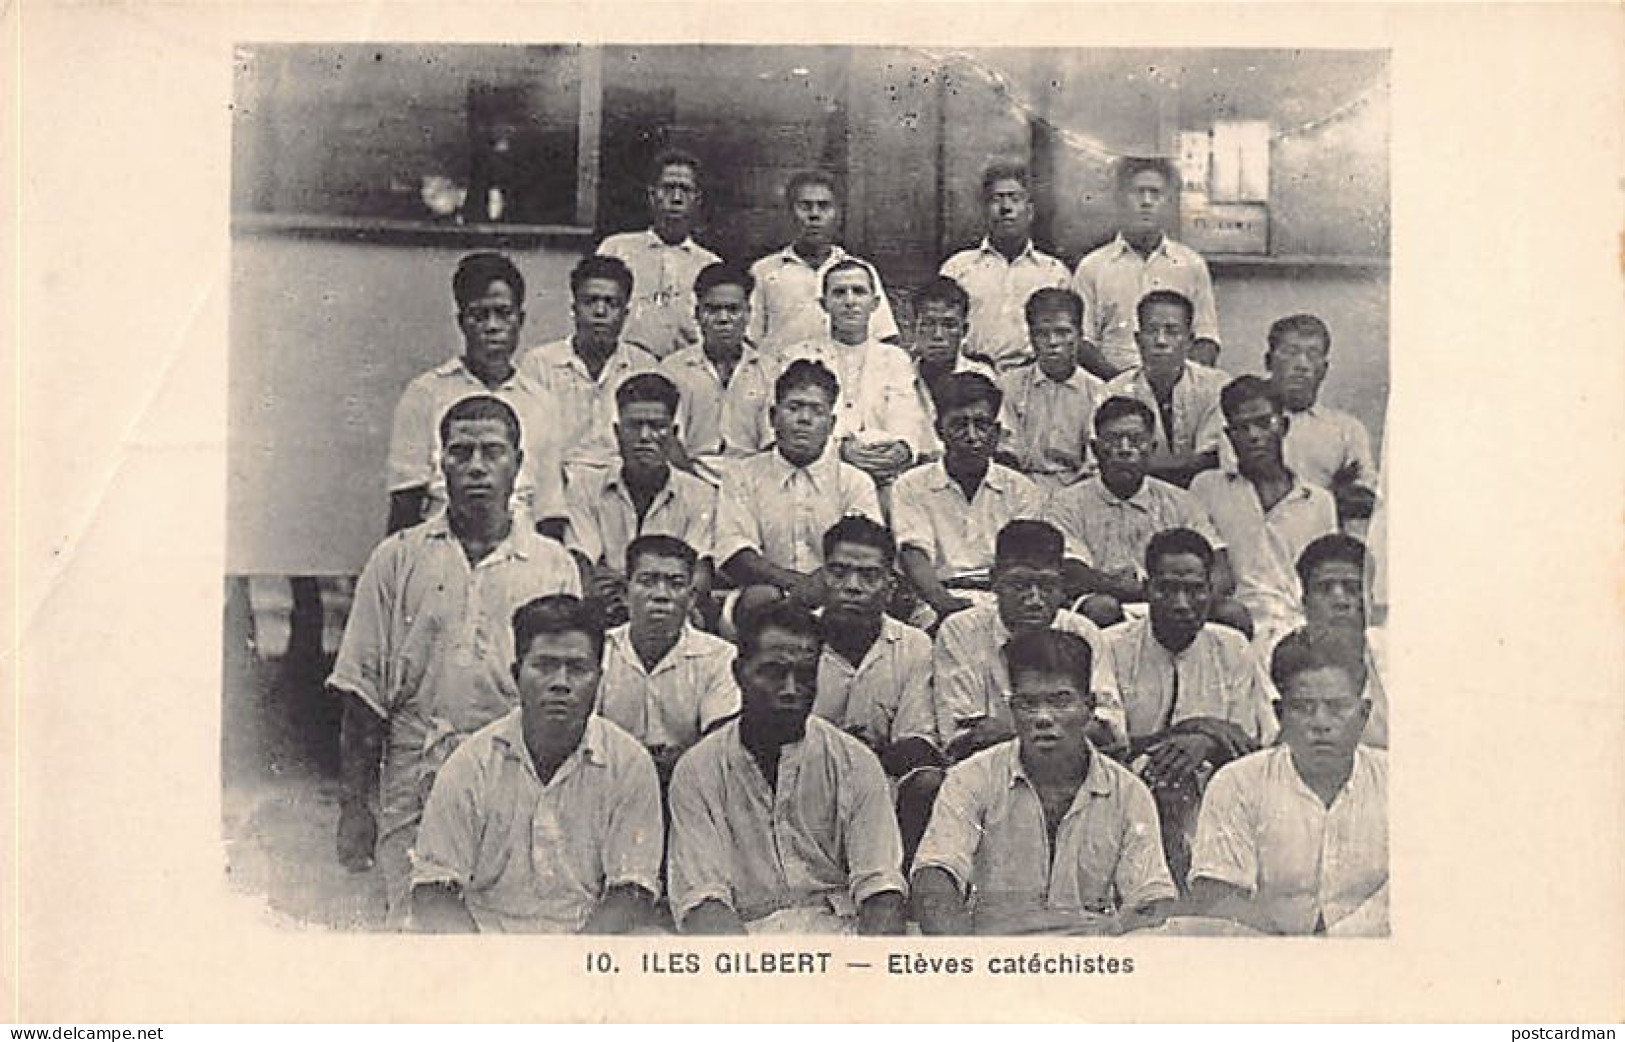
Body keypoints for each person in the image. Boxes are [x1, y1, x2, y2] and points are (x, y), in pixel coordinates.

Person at [327, 396, 582, 925]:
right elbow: (363, 692)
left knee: (507, 931)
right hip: (414, 779)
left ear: (518, 462)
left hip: (513, 778)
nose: (476, 467)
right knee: (417, 933)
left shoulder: (552, 565)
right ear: (440, 464)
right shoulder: (398, 557)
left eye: (492, 452)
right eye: (460, 452)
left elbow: (564, 696)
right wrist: (355, 805)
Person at [409, 595, 662, 933]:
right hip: (485, 941)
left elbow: (633, 889)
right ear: (517, 675)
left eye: (577, 668)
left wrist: (570, 968)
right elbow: (433, 887)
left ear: (598, 679)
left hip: (587, 941)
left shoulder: (628, 763)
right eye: (544, 666)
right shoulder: (472, 763)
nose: (560, 682)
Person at [911, 629, 1178, 935]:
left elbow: (1154, 900)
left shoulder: (1127, 791)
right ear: (1012, 710)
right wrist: (963, 958)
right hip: (995, 957)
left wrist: (1113, 930)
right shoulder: (971, 778)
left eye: (1060, 701)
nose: (1043, 717)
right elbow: (934, 873)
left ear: (1089, 708)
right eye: (1028, 704)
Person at [666, 601, 908, 934]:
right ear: (738, 673)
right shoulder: (699, 770)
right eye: (774, 673)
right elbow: (703, 902)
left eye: (805, 675)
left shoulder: (854, 761)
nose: (791, 690)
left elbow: (881, 890)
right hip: (744, 947)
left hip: (842, 942)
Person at [1102, 528, 1278, 885]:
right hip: (1130, 794)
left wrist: (1207, 744)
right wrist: (1190, 732)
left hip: (1215, 795)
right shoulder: (1111, 647)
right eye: (1167, 589)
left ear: (1210, 592)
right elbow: (1108, 743)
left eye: (1195, 590)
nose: (1182, 603)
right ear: (1147, 589)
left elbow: (1248, 743)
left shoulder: (1232, 647)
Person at [1185, 627, 1388, 936]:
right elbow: (1218, 896)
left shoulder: (1396, 783)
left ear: (1363, 713)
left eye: (1337, 707)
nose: (1321, 723)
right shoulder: (1238, 783)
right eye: (1304, 708)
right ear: (1280, 713)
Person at [385, 252, 566, 536]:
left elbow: (549, 511)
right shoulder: (425, 393)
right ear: (461, 322)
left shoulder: (541, 402)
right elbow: (405, 505)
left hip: (522, 553)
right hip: (442, 546)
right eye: (480, 315)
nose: (492, 326)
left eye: (503, 313)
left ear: (520, 319)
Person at [928, 520, 1127, 760]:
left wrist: (1011, 731)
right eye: (1020, 586)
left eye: (1046, 586)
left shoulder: (1081, 630)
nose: (1034, 600)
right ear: (995, 581)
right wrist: (1070, 729)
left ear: (1062, 583)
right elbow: (964, 738)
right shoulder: (961, 631)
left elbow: (1108, 729)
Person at [1044, 395, 1234, 627]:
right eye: (1113, 440)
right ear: (1095, 449)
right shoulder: (1067, 503)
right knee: (1103, 608)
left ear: (1152, 448)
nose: (1124, 450)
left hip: (1172, 601)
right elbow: (1071, 573)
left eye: (1135, 440)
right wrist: (1121, 588)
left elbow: (1220, 567)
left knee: (1230, 613)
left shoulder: (1181, 501)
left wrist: (1176, 594)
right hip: (1107, 605)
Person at [713, 359, 883, 612]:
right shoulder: (743, 476)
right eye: (794, 407)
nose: (804, 419)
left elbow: (864, 552)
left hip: (836, 597)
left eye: (816, 411)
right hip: (768, 598)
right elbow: (736, 553)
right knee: (759, 598)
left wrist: (820, 589)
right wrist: (798, 588)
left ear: (831, 424)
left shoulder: (854, 482)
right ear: (773, 417)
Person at [1191, 377, 1338, 648]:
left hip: (1297, 629)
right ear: (1228, 435)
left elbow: (1323, 580)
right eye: (1241, 428)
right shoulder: (1207, 488)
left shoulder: (1318, 502)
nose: (1253, 436)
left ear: (1283, 426)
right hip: (1231, 626)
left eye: (1263, 423)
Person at [564, 372, 716, 625]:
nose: (645, 437)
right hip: (607, 608)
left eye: (657, 426)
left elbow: (698, 573)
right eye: (635, 426)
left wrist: (631, 587)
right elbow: (582, 564)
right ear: (617, 432)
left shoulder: (700, 494)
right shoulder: (585, 487)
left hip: (669, 607)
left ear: (673, 433)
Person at [893, 372, 1042, 622]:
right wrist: (944, 603)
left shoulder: (1021, 490)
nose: (972, 436)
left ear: (996, 432)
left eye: (981, 424)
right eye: (959, 425)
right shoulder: (910, 486)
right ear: (939, 430)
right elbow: (914, 553)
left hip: (1004, 598)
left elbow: (1024, 563)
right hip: (939, 599)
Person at [595, 535, 739, 787]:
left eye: (675, 583)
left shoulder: (720, 658)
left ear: (692, 597)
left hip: (689, 785)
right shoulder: (599, 652)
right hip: (609, 784)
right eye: (647, 581)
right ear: (625, 593)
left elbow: (718, 744)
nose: (661, 594)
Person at [516, 254, 659, 486]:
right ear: (574, 308)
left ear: (626, 313)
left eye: (611, 303)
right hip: (558, 485)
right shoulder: (539, 364)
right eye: (590, 301)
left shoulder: (643, 366)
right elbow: (528, 443)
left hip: (625, 487)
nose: (600, 312)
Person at [1072, 156, 1221, 378]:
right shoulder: (1093, 267)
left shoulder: (1191, 265)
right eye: (1138, 193)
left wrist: (1178, 381)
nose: (1147, 202)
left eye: (1155, 194)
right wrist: (1121, 384)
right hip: (1111, 388)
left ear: (1169, 203)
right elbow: (1083, 343)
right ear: (1121, 200)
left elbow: (1206, 339)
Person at [781, 259, 926, 486]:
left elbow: (906, 417)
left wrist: (903, 448)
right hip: (822, 474)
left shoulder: (894, 359)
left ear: (875, 303)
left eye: (858, 292)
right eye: (839, 293)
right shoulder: (798, 357)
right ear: (824, 304)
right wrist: (840, 449)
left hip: (886, 475)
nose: (850, 301)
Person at [811, 516, 937, 773]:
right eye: (839, 573)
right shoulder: (794, 637)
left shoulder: (914, 646)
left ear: (890, 587)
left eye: (869, 575)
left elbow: (913, 743)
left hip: (882, 784)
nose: (852, 586)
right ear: (821, 578)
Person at [747, 169, 899, 357]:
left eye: (824, 206)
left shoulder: (859, 271)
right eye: (805, 206)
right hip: (781, 378)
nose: (814, 215)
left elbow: (884, 336)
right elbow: (750, 339)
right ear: (789, 213)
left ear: (838, 214)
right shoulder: (765, 271)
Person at [938, 161, 1070, 371]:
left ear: (1030, 211)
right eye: (996, 199)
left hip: (1033, 378)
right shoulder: (957, 268)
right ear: (984, 210)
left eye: (1015, 199)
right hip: (971, 377)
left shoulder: (1053, 272)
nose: (1006, 208)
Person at [596, 148, 722, 360]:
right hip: (625, 366)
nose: (676, 198)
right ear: (652, 195)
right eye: (668, 188)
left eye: (685, 190)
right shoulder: (616, 249)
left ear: (697, 199)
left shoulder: (710, 264)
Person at [1266, 534, 1388, 748]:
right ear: (1304, 602)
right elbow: (1277, 743)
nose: (1340, 600)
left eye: (1352, 589)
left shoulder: (1393, 652)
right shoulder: (1275, 653)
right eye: (1324, 588)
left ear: (1369, 598)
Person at [1260, 314, 1378, 526]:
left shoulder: (1347, 430)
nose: (1302, 364)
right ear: (1269, 361)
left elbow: (1363, 495)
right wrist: (1334, 489)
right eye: (1291, 352)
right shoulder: (1246, 424)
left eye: (1313, 354)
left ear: (1324, 369)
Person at [1101, 289, 1227, 488]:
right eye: (1152, 331)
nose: (1161, 341)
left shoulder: (1216, 386)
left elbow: (1208, 459)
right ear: (1138, 339)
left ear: (1189, 341)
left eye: (1172, 332)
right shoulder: (1114, 391)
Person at [659, 263, 777, 474]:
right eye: (713, 310)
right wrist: (692, 483)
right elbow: (668, 440)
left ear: (748, 314)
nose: (723, 319)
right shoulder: (672, 370)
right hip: (689, 477)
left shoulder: (770, 371)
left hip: (752, 481)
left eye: (733, 309)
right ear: (698, 314)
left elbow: (772, 444)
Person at [995, 287, 1108, 498]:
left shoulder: (1098, 392)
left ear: (1080, 335)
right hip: (1019, 488)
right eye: (1042, 334)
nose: (1053, 342)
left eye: (1063, 332)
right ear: (1030, 336)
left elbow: (1094, 463)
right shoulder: (1008, 385)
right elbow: (1006, 450)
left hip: (1078, 491)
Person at [907, 275, 997, 463]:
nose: (938, 335)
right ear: (914, 328)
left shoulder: (984, 377)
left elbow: (998, 442)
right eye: (929, 324)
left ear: (964, 331)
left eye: (949, 325)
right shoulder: (899, 377)